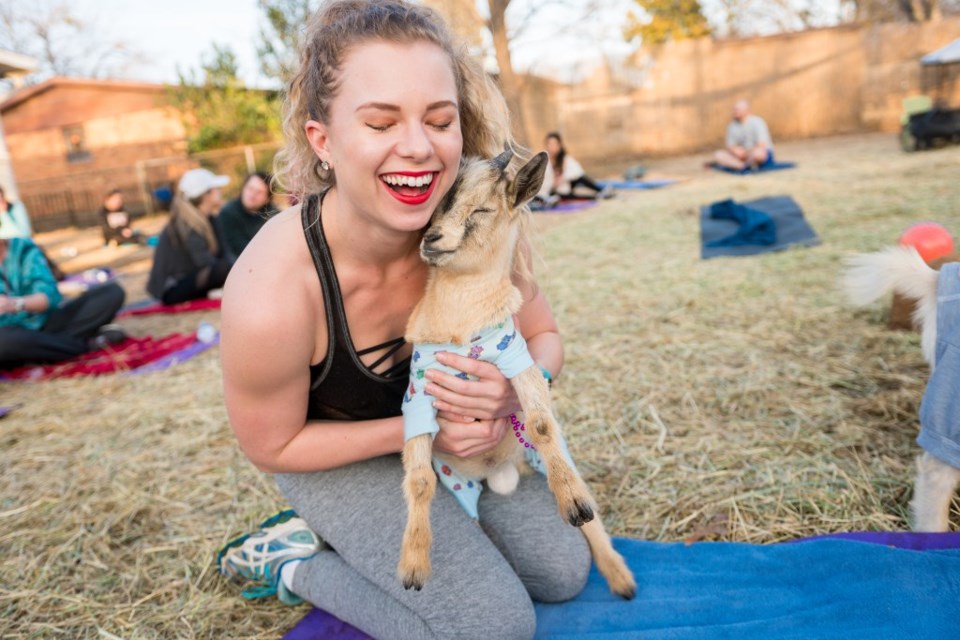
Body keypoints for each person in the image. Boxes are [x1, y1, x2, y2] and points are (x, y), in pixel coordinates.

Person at [216, 2, 590, 639]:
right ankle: (294, 561)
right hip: (335, 453)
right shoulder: (272, 289)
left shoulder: (478, 220)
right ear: (323, 141)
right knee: (493, 627)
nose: (417, 147)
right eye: (380, 122)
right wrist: (427, 430)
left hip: (464, 445)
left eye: (439, 121)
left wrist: (513, 395)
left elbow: (544, 339)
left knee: (563, 571)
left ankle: (434, 526)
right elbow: (270, 445)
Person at [0, 236, 126, 369]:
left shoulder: (21, 248)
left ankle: (45, 349)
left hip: (47, 322)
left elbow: (49, 297)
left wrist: (14, 304)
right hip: (8, 334)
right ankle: (87, 344)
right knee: (6, 341)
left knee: (111, 292)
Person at [146, 168, 232, 305]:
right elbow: (204, 262)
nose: (219, 192)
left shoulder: (211, 219)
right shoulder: (185, 223)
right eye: (215, 188)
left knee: (229, 266)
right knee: (224, 268)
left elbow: (224, 253)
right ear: (206, 195)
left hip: (193, 279)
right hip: (171, 289)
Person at [214, 172, 276, 261]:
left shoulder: (273, 215)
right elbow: (237, 249)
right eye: (250, 188)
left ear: (267, 199)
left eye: (259, 192)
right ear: (243, 188)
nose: (253, 195)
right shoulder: (228, 213)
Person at [538, 131, 613, 203]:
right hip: (554, 191)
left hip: (565, 186)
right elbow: (545, 184)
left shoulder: (565, 159)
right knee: (566, 196)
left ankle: (601, 190)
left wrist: (563, 178)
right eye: (549, 144)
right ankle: (596, 197)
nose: (551, 147)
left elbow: (577, 173)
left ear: (559, 146)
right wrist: (554, 182)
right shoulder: (545, 161)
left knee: (580, 178)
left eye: (553, 144)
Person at [713, 99, 774, 171]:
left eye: (737, 109)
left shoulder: (757, 122)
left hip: (756, 153)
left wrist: (747, 153)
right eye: (734, 110)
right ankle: (742, 166)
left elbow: (762, 144)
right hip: (742, 156)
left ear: (747, 110)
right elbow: (730, 146)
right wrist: (735, 151)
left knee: (758, 154)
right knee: (718, 155)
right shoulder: (732, 126)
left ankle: (742, 164)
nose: (734, 112)